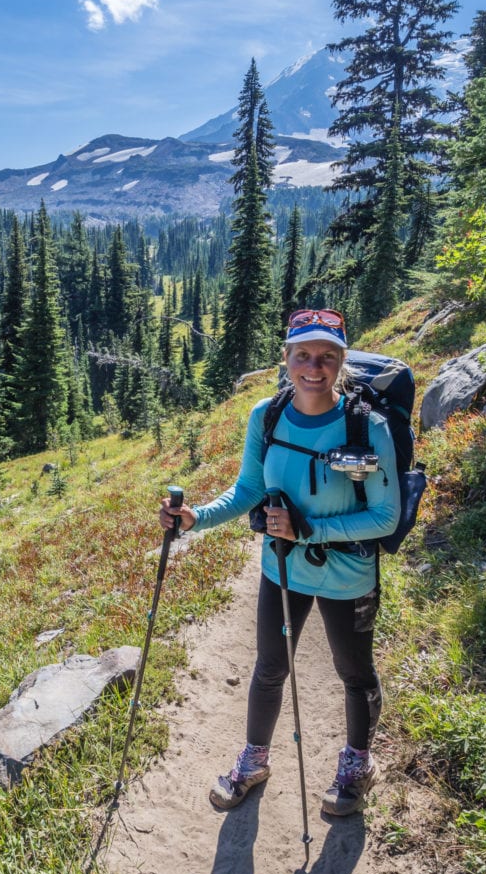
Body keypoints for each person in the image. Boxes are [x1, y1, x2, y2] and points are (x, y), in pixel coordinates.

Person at [159, 309, 400, 817]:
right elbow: (249, 488)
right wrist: (194, 518)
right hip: (282, 568)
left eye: (327, 356)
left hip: (348, 576)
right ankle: (254, 760)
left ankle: (359, 764)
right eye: (303, 355)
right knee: (270, 668)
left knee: (353, 673)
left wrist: (310, 529)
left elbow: (385, 515)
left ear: (342, 362)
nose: (314, 366)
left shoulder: (366, 427)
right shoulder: (265, 416)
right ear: (287, 359)